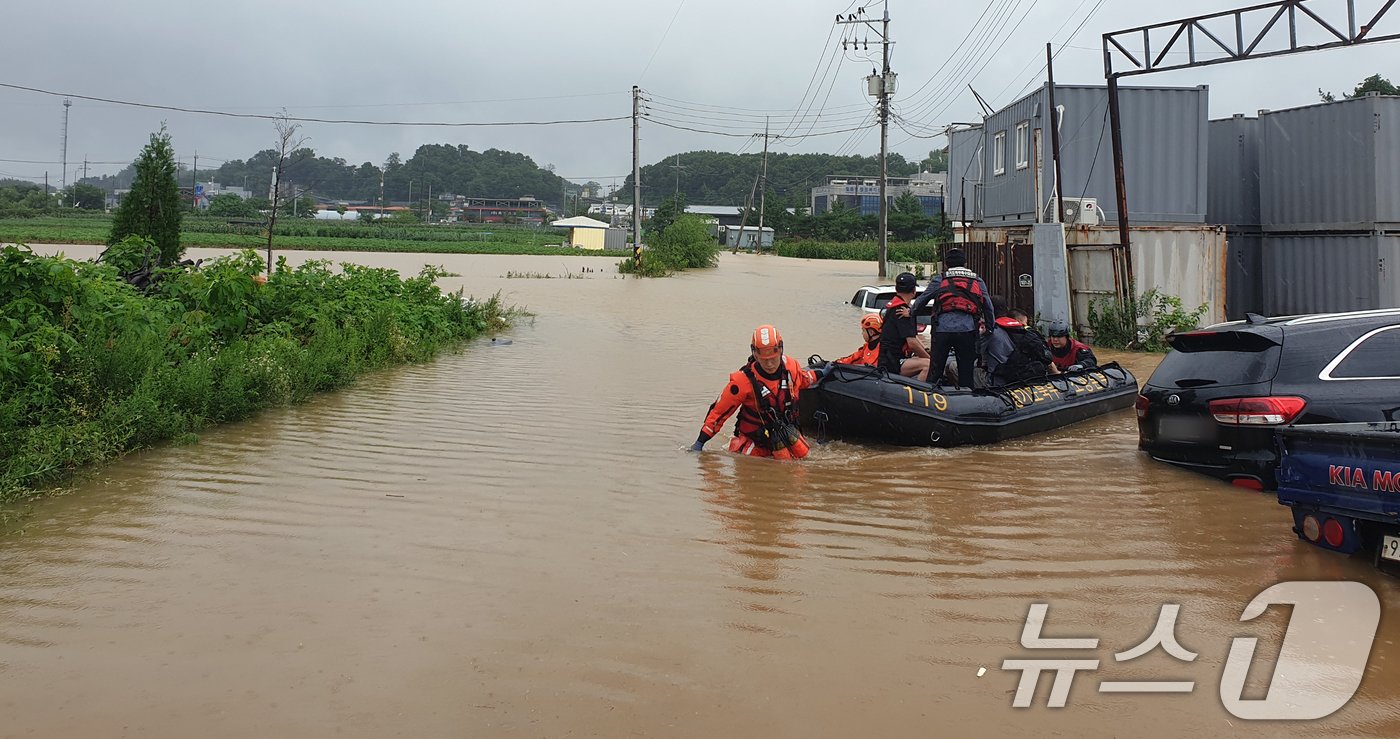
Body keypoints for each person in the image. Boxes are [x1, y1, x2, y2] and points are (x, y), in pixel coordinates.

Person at [691, 324, 820, 459]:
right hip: (755, 441)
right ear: (755, 355)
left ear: (781, 350)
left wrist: (824, 372)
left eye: (773, 359)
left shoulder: (791, 367)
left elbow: (803, 379)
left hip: (786, 435)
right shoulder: (741, 382)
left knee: (802, 462)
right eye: (764, 360)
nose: (769, 364)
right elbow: (718, 413)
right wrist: (700, 443)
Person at [913, 249, 995, 388]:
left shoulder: (940, 279)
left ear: (945, 265)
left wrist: (910, 315)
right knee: (966, 372)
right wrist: (990, 329)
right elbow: (988, 307)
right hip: (967, 331)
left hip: (941, 331)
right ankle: (966, 399)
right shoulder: (976, 280)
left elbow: (921, 302)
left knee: (935, 371)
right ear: (965, 263)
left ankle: (930, 399)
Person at [878, 272, 932, 379]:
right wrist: (931, 359)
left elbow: (913, 337)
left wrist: (925, 349)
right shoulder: (904, 311)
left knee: (922, 358)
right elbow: (912, 344)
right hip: (893, 362)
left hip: (885, 358)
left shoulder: (891, 307)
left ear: (896, 289)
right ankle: (918, 394)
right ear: (914, 291)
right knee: (928, 364)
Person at [984, 312, 1054, 386]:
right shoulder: (1027, 334)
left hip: (1000, 381)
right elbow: (1048, 360)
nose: (1025, 326)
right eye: (1025, 323)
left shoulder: (993, 332)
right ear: (1017, 321)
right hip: (1024, 383)